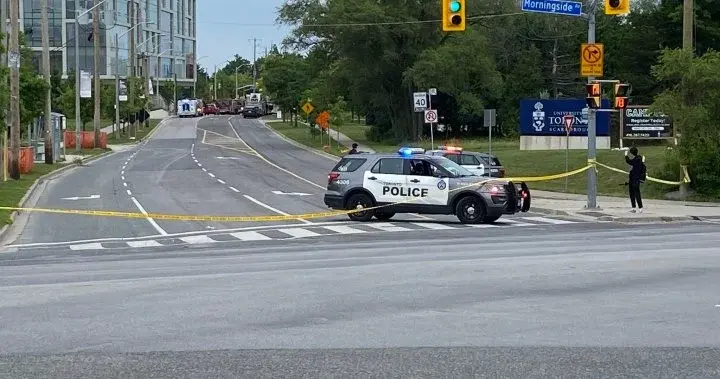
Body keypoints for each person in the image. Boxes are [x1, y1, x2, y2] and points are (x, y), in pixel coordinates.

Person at [625, 147, 645, 213]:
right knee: (634, 193)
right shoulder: (639, 159)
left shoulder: (636, 160)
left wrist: (626, 155)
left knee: (635, 193)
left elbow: (629, 161)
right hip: (635, 178)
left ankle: (638, 208)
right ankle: (637, 208)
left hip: (634, 178)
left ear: (632, 153)